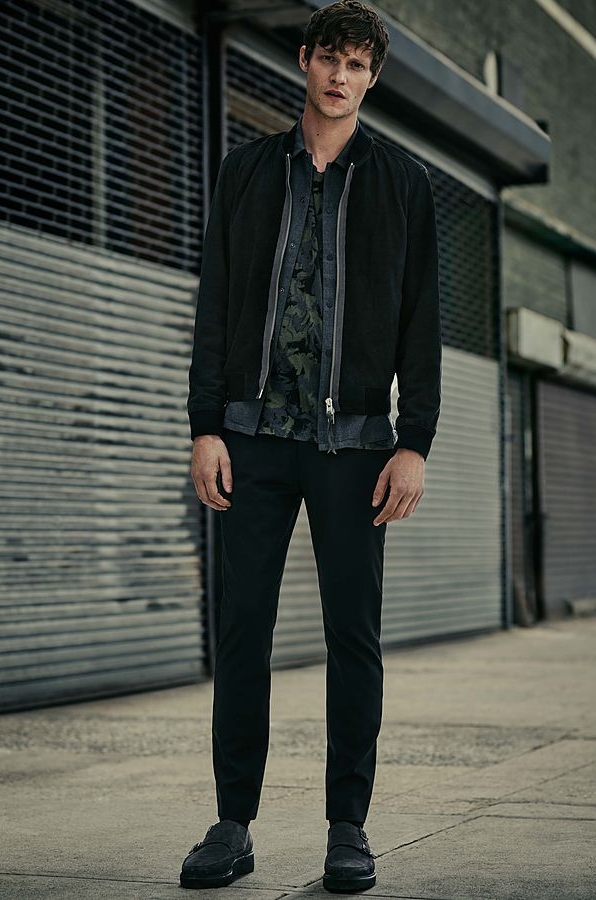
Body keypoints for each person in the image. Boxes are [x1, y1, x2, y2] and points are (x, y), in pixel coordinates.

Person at [180, 0, 442, 891]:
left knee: (353, 638)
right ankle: (231, 825)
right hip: (253, 438)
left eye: (357, 65)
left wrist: (415, 441)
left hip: (357, 447)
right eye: (330, 58)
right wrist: (205, 426)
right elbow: (216, 303)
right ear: (305, 60)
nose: (340, 76)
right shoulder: (248, 171)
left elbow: (421, 322)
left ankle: (348, 828)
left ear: (373, 78)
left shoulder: (403, 183)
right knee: (242, 631)